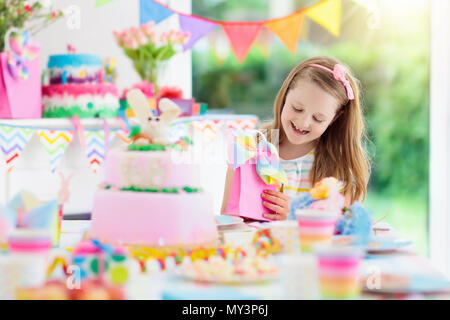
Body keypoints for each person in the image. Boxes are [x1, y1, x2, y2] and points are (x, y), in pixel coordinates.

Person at [221, 56, 371, 221]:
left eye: (318, 119)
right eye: (297, 108)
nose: (303, 122)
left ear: (334, 119)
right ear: (285, 95)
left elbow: (345, 231)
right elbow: (228, 222)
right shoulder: (249, 148)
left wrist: (296, 216)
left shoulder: (339, 166)